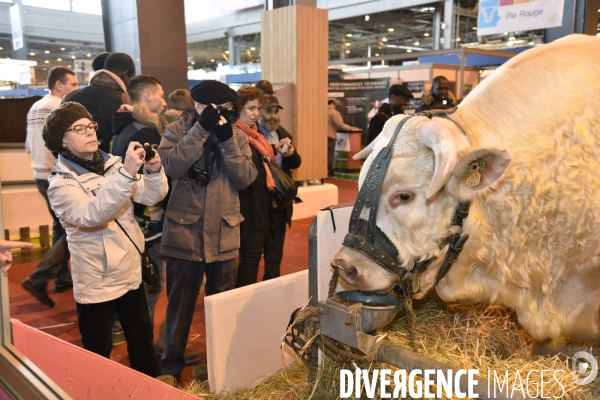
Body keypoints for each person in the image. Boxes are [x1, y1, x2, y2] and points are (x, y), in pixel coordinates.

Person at [42, 102, 167, 377]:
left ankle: (151, 389)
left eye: (91, 125)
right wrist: (126, 173)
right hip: (97, 280)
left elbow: (150, 196)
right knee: (98, 351)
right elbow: (93, 214)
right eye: (79, 128)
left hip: (129, 271)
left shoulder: (110, 163)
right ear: (61, 140)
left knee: (142, 340)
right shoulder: (61, 184)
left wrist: (154, 169)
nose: (90, 132)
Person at [158, 80, 257, 383]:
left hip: (225, 235)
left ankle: (220, 368)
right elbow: (171, 167)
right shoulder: (177, 130)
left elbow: (244, 179)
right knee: (179, 308)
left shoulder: (237, 136)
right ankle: (170, 368)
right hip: (184, 235)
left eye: (226, 110)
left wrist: (226, 140)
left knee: (223, 309)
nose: (221, 115)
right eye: (214, 110)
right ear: (198, 106)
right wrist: (199, 130)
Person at [22, 66, 79, 307]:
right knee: (74, 229)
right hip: (56, 175)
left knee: (61, 225)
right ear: (59, 85)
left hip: (39, 173)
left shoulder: (35, 107)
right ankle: (39, 277)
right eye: (73, 84)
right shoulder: (59, 108)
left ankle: (61, 279)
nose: (76, 89)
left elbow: (27, 145)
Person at [256, 95, 301, 281]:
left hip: (280, 204)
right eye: (268, 111)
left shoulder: (283, 133)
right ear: (258, 112)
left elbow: (297, 163)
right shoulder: (252, 134)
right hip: (259, 203)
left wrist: (291, 153)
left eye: (276, 111)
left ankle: (270, 289)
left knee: (275, 252)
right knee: (252, 252)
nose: (273, 116)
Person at [64, 52, 135, 153]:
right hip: (109, 164)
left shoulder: (70, 96)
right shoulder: (124, 100)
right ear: (125, 74)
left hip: (73, 164)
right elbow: (124, 140)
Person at [327, 99, 361, 179]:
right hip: (330, 136)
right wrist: (352, 128)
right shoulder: (333, 112)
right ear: (332, 104)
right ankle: (331, 173)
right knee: (330, 155)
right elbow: (340, 125)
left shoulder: (320, 111)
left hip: (321, 137)